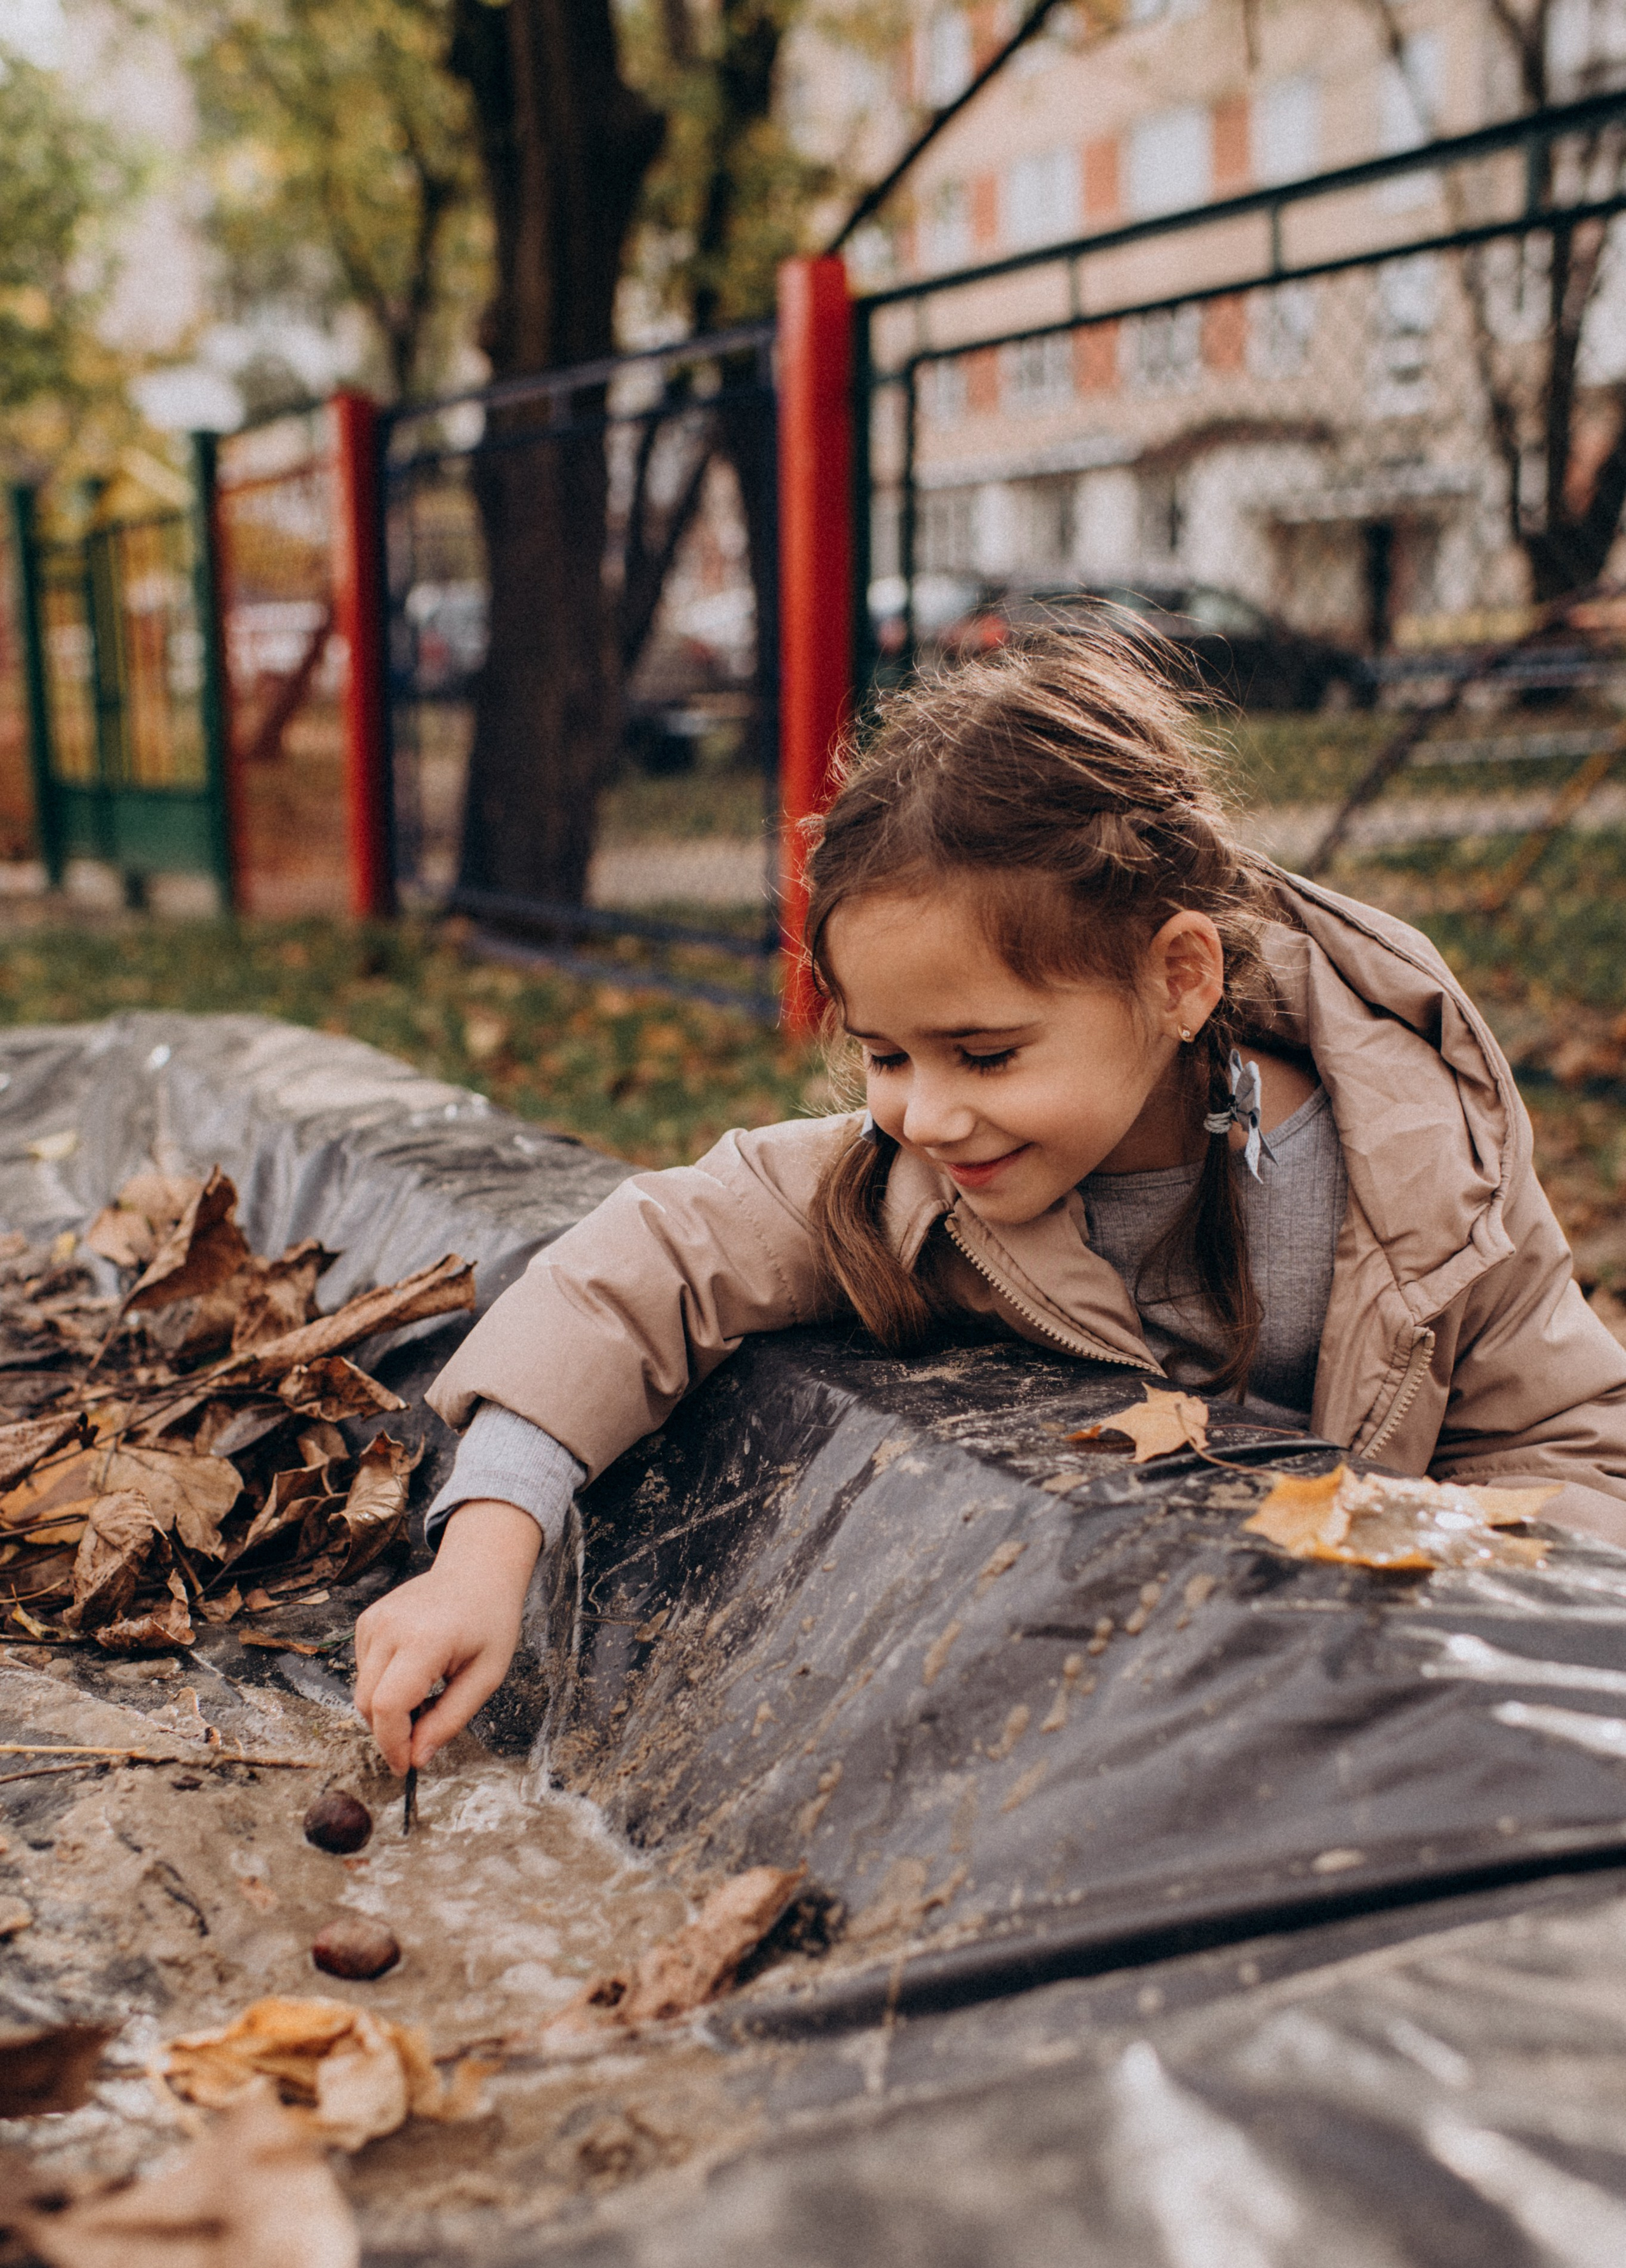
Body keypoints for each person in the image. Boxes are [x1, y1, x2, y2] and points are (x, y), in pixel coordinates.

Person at [354, 632, 1626, 1773]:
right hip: (1124, 1714)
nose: (925, 1113)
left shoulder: (1415, 1178)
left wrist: (1443, 1607)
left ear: (1177, 978)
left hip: (1387, 1706)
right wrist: (483, 1552)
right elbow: (643, 1263)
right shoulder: (908, 1178)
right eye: (885, 1053)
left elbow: (1565, 1436)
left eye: (985, 1053)